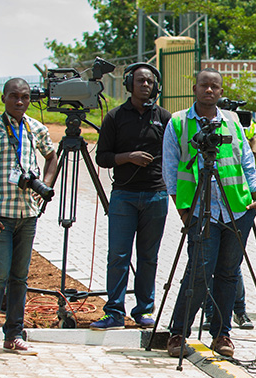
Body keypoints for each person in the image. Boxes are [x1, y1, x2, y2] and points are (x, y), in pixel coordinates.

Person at [161, 68, 256, 358]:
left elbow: (246, 161)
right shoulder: (179, 122)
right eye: (204, 86)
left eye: (215, 87)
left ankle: (222, 334)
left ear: (221, 92)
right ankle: (178, 332)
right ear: (194, 88)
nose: (209, 91)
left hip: (237, 209)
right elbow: (170, 169)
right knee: (198, 272)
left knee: (228, 274)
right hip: (200, 210)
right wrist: (182, 210)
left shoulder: (232, 121)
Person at [0, 78, 57, 358]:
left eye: (24, 97)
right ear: (3, 98)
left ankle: (14, 334)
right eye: (14, 96)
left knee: (19, 277)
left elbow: (52, 157)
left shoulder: (36, 128)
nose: (19, 102)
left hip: (27, 216)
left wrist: (44, 185)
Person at [90, 63, 171, 331]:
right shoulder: (114, 117)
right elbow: (102, 158)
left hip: (155, 197)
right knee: (118, 255)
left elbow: (175, 156)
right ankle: (113, 311)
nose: (145, 85)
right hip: (124, 196)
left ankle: (144, 310)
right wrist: (128, 157)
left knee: (148, 256)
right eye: (140, 81)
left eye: (150, 82)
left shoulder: (165, 117)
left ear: (155, 86)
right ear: (129, 85)